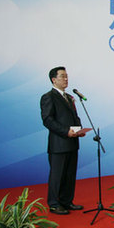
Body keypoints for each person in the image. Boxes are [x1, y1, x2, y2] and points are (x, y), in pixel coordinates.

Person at [40, 66, 86, 215]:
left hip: (73, 142)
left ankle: (67, 201)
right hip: (59, 143)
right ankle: (54, 204)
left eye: (67, 76)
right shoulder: (48, 97)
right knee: (57, 175)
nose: (66, 79)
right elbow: (48, 120)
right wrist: (66, 131)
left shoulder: (70, 97)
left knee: (70, 174)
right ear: (54, 80)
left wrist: (79, 130)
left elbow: (75, 117)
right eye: (62, 76)